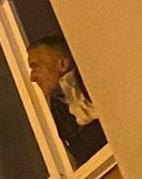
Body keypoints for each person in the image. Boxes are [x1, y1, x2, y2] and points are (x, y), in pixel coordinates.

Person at [28, 35, 106, 166]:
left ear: (63, 64)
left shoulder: (93, 79)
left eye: (36, 67)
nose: (32, 77)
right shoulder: (58, 110)